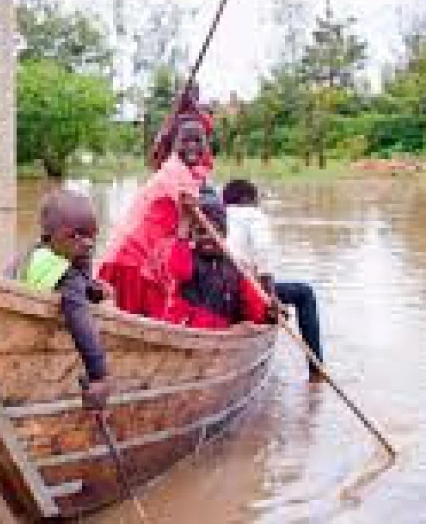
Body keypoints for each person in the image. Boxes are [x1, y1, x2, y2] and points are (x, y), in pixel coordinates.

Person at [97, 112, 213, 319]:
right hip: (133, 261)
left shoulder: (186, 172)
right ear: (173, 145)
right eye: (185, 141)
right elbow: (191, 226)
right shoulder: (176, 174)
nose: (192, 146)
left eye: (198, 140)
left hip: (134, 259)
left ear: (206, 144)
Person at [7, 189, 111, 409]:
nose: (88, 243)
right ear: (50, 236)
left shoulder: (31, 255)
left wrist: (92, 289)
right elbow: (80, 318)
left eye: (92, 236)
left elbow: (77, 287)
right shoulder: (66, 275)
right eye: (76, 235)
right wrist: (99, 376)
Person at [222, 179, 326, 382]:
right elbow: (263, 256)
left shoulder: (216, 213)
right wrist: (271, 299)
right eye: (256, 200)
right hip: (244, 289)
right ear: (246, 199)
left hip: (218, 285)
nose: (257, 204)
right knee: (305, 293)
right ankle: (316, 368)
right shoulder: (253, 215)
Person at [159, 196, 270, 329]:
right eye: (200, 232)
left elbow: (254, 310)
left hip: (224, 333)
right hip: (186, 327)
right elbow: (178, 270)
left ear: (224, 234)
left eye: (214, 232)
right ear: (192, 234)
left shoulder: (236, 267)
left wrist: (268, 314)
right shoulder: (188, 257)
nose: (207, 237)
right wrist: (185, 223)